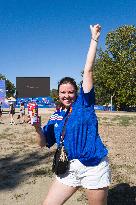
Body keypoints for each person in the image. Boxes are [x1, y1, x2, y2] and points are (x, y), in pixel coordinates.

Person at [33, 24, 111, 205]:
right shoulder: (56, 115)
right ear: (58, 94)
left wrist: (94, 39)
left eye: (70, 92)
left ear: (77, 92)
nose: (66, 95)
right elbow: (43, 143)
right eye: (63, 92)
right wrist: (37, 128)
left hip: (94, 167)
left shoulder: (84, 103)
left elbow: (89, 69)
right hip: (69, 167)